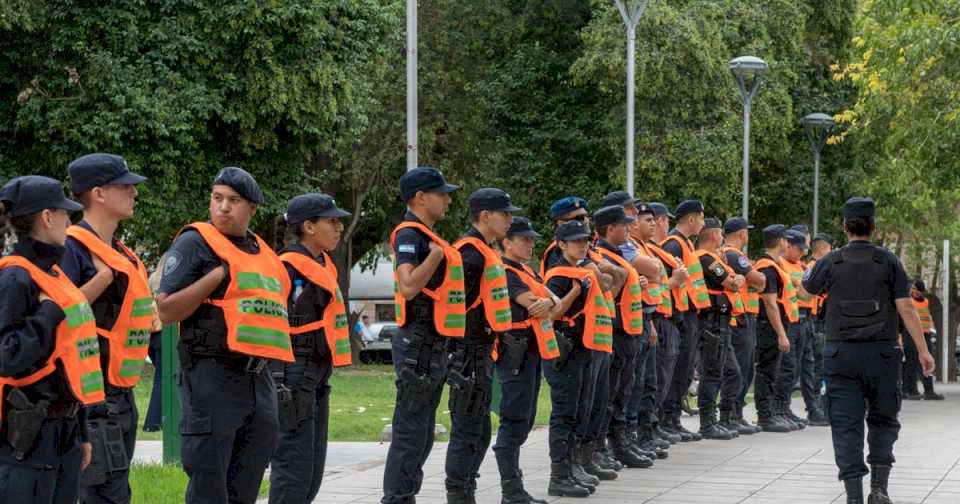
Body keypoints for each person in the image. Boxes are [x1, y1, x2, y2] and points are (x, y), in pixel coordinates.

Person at [156, 167, 293, 504]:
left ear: (252, 209)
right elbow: (166, 309)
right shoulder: (195, 242)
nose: (223, 207)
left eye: (233, 200)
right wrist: (217, 275)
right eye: (217, 198)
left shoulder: (263, 253)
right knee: (209, 484)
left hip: (258, 379)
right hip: (211, 375)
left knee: (246, 482)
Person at [803, 197, 935, 504]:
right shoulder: (888, 261)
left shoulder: (830, 261)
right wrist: (923, 351)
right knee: (884, 420)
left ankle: (853, 495)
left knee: (845, 424)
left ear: (844, 226)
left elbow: (805, 288)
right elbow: (906, 308)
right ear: (873, 227)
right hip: (883, 355)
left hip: (841, 355)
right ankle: (879, 489)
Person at [0, 175, 102, 504]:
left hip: (66, 428)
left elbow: (69, 359)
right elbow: (7, 356)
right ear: (47, 217)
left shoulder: (53, 275)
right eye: (65, 213)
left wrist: (82, 431)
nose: (69, 221)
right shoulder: (16, 277)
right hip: (28, 436)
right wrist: (46, 315)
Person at [60, 153, 155, 504]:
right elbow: (55, 316)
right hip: (90, 402)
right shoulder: (72, 249)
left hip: (121, 397)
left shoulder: (123, 254)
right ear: (99, 194)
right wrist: (101, 279)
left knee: (115, 493)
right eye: (126, 186)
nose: (134, 193)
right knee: (102, 496)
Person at [382, 167, 463, 504]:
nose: (447, 199)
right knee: (411, 431)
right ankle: (397, 499)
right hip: (417, 343)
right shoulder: (410, 235)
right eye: (441, 193)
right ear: (419, 197)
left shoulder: (427, 234)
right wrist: (434, 255)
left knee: (424, 432)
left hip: (433, 344)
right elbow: (409, 285)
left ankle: (406, 495)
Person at [269, 193, 353, 504]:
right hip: (293, 374)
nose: (339, 227)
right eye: (331, 221)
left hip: (318, 375)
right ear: (308, 226)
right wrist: (278, 380)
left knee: (312, 471)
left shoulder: (324, 264)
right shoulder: (286, 267)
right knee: (293, 469)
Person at [445, 188, 520, 503]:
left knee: (480, 429)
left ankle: (467, 487)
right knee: (467, 430)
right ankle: (459, 492)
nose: (510, 220)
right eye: (505, 214)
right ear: (485, 216)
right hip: (468, 353)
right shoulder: (468, 254)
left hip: (484, 352)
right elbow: (454, 308)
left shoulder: (485, 251)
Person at [493, 216, 566, 504]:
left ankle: (514, 487)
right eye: (523, 239)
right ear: (506, 242)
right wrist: (548, 302)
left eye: (532, 239)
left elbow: (554, 305)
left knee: (526, 419)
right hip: (516, 354)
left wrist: (549, 303)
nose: (530, 244)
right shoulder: (506, 271)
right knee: (514, 420)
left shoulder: (529, 272)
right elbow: (532, 305)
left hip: (533, 352)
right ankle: (511, 489)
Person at [593, 205, 661, 468]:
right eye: (624, 225)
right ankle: (603, 446)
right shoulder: (601, 255)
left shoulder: (620, 253)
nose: (630, 228)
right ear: (610, 229)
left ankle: (620, 442)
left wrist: (639, 283)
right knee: (609, 395)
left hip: (632, 331)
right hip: (616, 332)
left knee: (625, 391)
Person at [542, 220, 603, 498]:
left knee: (579, 410)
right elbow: (553, 312)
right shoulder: (558, 275)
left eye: (585, 240)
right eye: (576, 241)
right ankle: (559, 474)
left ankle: (573, 466)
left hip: (581, 347)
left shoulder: (580, 269)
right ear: (562, 244)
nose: (583, 245)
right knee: (564, 413)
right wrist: (577, 289)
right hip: (563, 350)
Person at [630, 202, 685, 449]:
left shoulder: (647, 248)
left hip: (653, 317)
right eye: (646, 220)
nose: (653, 223)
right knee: (641, 384)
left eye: (654, 219)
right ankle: (641, 434)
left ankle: (650, 429)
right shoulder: (633, 248)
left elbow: (654, 279)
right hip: (648, 318)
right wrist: (673, 281)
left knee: (652, 382)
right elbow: (655, 279)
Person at [692, 218, 745, 440]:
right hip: (711, 322)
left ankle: (724, 418)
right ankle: (707, 422)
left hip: (721, 322)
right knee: (712, 372)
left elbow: (732, 279)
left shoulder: (716, 258)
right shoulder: (705, 259)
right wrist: (738, 278)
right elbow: (732, 283)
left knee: (729, 371)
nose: (722, 236)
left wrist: (735, 277)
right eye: (720, 232)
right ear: (714, 235)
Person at [660, 200, 708, 441]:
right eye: (701, 218)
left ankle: (674, 418)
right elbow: (666, 282)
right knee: (677, 369)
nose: (703, 222)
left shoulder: (686, 244)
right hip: (678, 315)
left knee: (685, 369)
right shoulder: (673, 245)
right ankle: (667, 419)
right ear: (691, 219)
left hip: (689, 314)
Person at [720, 217, 764, 434]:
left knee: (746, 366)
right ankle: (731, 413)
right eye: (747, 231)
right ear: (740, 233)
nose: (748, 235)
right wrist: (758, 280)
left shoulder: (736, 255)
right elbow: (758, 280)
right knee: (740, 366)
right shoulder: (733, 254)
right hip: (740, 316)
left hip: (745, 315)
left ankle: (736, 412)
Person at [777, 230, 826, 426]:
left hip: (806, 320)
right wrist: (800, 287)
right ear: (788, 245)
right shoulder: (780, 264)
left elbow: (809, 292)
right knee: (788, 366)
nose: (801, 253)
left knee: (806, 366)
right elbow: (797, 290)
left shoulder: (801, 265)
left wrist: (801, 287)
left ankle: (809, 408)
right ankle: (779, 407)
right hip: (791, 320)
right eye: (798, 249)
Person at [753, 225, 795, 433]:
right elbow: (770, 303)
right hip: (768, 326)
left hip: (774, 325)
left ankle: (771, 413)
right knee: (766, 371)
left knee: (773, 370)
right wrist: (781, 334)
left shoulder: (775, 265)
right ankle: (765, 416)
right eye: (787, 239)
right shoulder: (767, 267)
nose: (789, 243)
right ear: (780, 241)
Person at [902, 280, 943, 401]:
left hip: (925, 334)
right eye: (912, 289)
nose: (913, 291)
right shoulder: (909, 301)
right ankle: (909, 390)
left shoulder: (926, 301)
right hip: (910, 334)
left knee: (927, 362)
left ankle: (929, 391)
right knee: (911, 362)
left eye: (916, 289)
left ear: (921, 291)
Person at [808, 233, 834, 415]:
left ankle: (821, 407)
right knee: (819, 367)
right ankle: (816, 408)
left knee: (822, 367)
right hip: (816, 323)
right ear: (824, 249)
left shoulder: (818, 267)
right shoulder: (814, 268)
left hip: (821, 323)